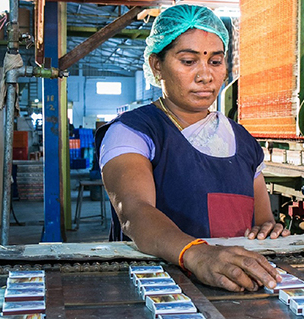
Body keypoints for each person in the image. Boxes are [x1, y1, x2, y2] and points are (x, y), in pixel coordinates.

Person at [95, 4, 290, 292]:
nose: (205, 76)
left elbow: (261, 220)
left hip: (235, 286)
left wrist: (266, 231)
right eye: (188, 61)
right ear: (156, 65)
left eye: (215, 61)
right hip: (158, 289)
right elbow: (135, 212)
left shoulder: (243, 140)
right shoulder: (133, 132)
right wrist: (197, 254)